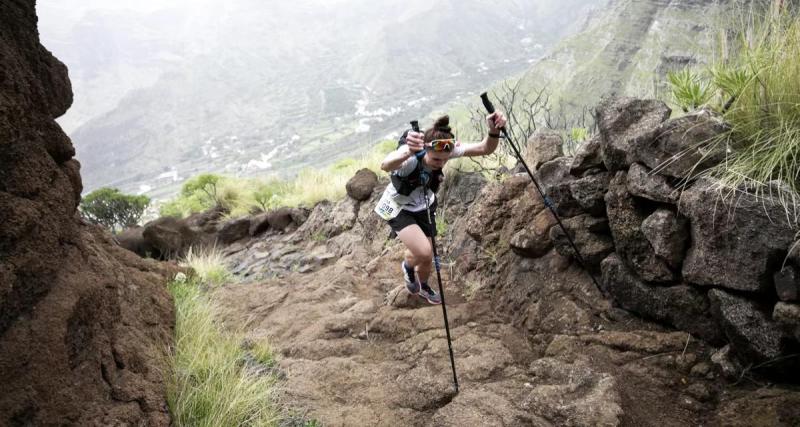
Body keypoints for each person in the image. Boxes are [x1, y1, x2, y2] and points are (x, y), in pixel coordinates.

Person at [375, 112, 507, 304]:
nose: (442, 163)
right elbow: (386, 165)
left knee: (428, 258)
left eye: (445, 159)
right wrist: (408, 151)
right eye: (437, 160)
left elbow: (485, 148)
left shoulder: (445, 150)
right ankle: (408, 266)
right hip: (398, 206)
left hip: (424, 205)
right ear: (426, 149)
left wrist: (494, 131)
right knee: (424, 252)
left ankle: (422, 284)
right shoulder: (410, 159)